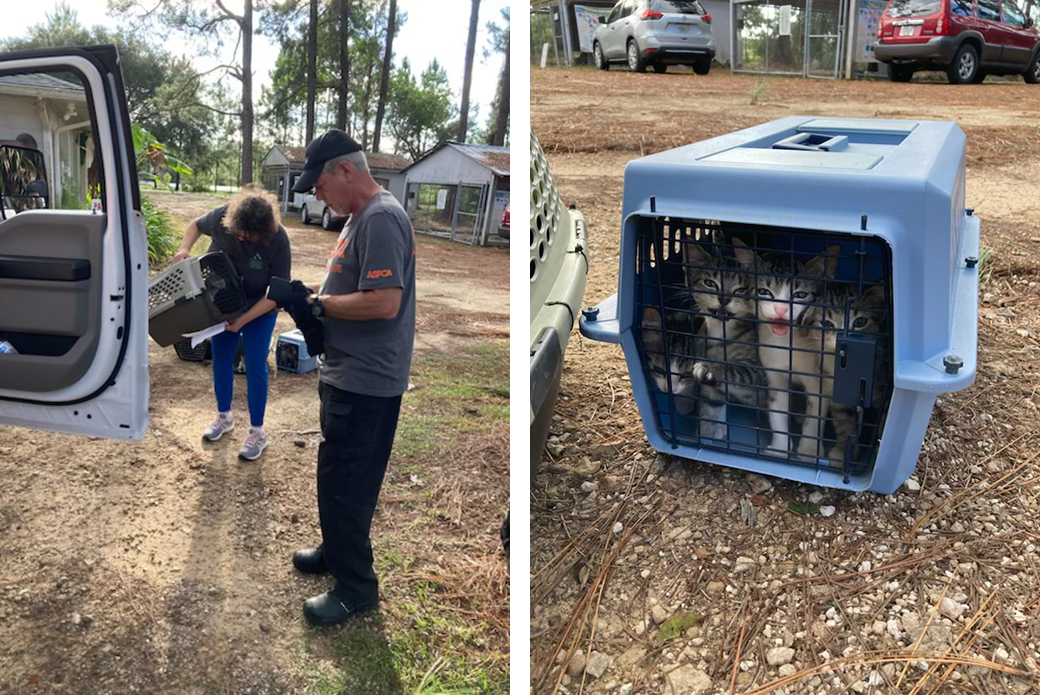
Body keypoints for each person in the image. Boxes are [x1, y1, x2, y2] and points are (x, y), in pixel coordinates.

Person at [288, 129, 416, 627]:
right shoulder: (359, 218)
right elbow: (355, 287)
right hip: (348, 374)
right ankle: (335, 550)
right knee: (337, 474)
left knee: (347, 483)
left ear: (345, 170)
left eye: (318, 185)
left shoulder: (381, 217)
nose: (316, 195)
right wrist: (315, 297)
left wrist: (318, 304)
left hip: (366, 382)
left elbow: (385, 302)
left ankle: (356, 587)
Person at [171, 184, 292, 461]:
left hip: (259, 309)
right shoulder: (225, 216)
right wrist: (183, 249)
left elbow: (275, 295)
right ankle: (223, 417)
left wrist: (244, 320)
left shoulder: (278, 240)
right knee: (221, 359)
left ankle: (258, 431)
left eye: (247, 236)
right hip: (222, 302)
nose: (240, 237)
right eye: (237, 231)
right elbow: (195, 225)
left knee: (255, 364)